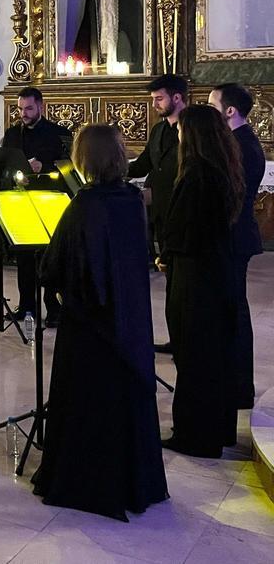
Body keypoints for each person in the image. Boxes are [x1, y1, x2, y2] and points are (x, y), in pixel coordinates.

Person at [31, 125, 169, 520]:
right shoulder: (130, 200)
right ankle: (134, 480)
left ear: (83, 159)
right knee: (127, 395)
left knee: (88, 398)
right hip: (129, 320)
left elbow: (53, 269)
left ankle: (85, 479)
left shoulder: (84, 206)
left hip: (90, 326)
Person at [161, 104, 243, 459]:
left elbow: (183, 230)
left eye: (181, 130)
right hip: (216, 272)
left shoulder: (195, 174)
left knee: (194, 355)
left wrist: (164, 254)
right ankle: (219, 429)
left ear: (191, 135)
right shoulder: (221, 167)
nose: (177, 134)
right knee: (214, 355)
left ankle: (196, 436)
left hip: (196, 277)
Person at [209, 83, 264, 410]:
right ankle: (234, 382)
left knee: (234, 313)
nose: (206, 106)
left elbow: (231, 197)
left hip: (233, 237)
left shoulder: (242, 145)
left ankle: (240, 386)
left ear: (229, 111)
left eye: (212, 103)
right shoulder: (238, 141)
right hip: (232, 236)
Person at [2, 86, 72, 324]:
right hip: (21, 200)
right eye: (20, 108)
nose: (24, 113)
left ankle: (54, 309)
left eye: (29, 108)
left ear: (41, 106)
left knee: (50, 258)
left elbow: (68, 168)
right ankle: (26, 307)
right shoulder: (12, 134)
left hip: (48, 200)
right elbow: (5, 164)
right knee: (24, 258)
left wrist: (46, 167)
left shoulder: (58, 133)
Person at [128, 74, 188, 352]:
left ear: (177, 97)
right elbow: (144, 164)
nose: (154, 104)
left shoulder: (195, 130)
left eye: (159, 98)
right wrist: (113, 170)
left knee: (184, 285)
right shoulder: (159, 130)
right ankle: (176, 339)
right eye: (152, 99)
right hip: (162, 218)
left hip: (184, 218)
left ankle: (187, 341)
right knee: (171, 283)